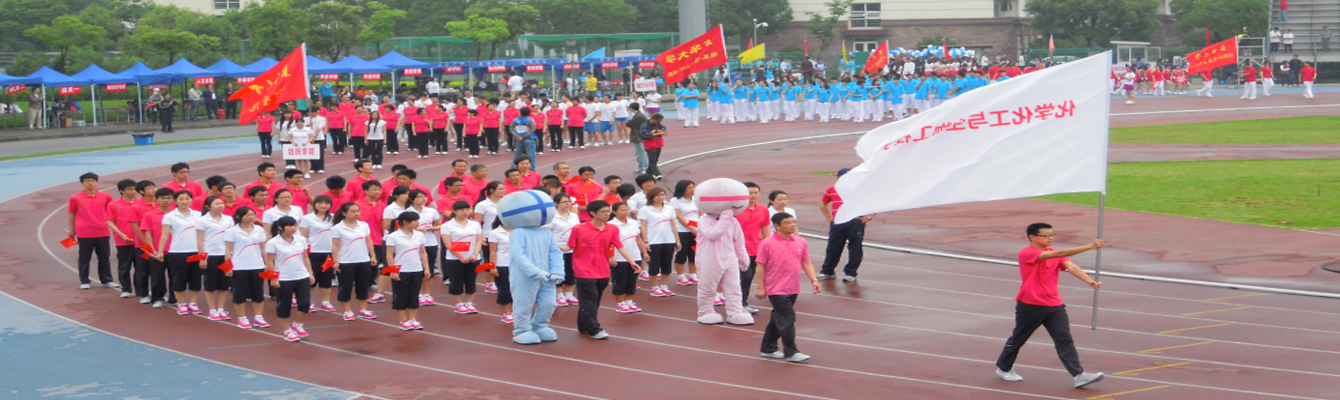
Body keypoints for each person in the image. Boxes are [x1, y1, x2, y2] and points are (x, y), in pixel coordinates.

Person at [995, 223, 1106, 388]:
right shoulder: (1027, 253)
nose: (1050, 238)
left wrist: (1090, 282)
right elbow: (1060, 253)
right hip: (1031, 304)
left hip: (1054, 304)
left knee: (1064, 339)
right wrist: (1090, 246)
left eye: (1052, 235)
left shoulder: (1054, 253)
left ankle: (1079, 375)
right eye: (1046, 235)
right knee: (1019, 337)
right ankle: (1004, 367)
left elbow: (1071, 266)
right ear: (1033, 237)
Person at [753, 212, 819, 363]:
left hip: (793, 287)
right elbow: (760, 266)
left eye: (793, 222)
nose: (792, 225)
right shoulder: (767, 243)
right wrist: (760, 287)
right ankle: (791, 352)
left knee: (778, 317)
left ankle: (768, 348)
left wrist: (814, 280)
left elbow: (806, 262)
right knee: (788, 317)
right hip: (776, 288)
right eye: (787, 223)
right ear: (777, 226)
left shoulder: (800, 242)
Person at [568, 200, 635, 339]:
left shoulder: (612, 228)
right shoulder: (579, 228)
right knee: (589, 299)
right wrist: (557, 247)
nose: (606, 214)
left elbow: (619, 246)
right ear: (592, 213)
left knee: (595, 299)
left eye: (607, 211)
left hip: (602, 269)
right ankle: (594, 329)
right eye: (603, 212)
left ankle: (583, 326)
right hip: (583, 269)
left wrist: (631, 262)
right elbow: (570, 246)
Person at [818, 168, 874, 282]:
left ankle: (851, 273)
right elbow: (823, 204)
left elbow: (875, 203)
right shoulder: (831, 190)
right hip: (838, 222)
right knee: (833, 248)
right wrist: (829, 218)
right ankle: (828, 271)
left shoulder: (860, 190)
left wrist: (869, 217)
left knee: (854, 248)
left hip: (854, 222)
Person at [331, 201, 378, 321]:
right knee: (345, 287)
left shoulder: (363, 225)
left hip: (363, 260)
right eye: (353, 211)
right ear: (344, 213)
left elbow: (368, 241)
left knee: (363, 286)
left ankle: (363, 309)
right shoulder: (337, 228)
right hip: (346, 261)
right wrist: (335, 261)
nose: (356, 213)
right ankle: (347, 311)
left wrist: (372, 256)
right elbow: (335, 245)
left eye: (358, 211)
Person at [158, 190, 202, 315]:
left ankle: (193, 303)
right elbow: (164, 235)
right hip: (178, 251)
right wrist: (160, 251)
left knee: (195, 279)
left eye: (187, 198)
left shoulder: (198, 215)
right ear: (175, 201)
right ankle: (181, 304)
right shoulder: (169, 216)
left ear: (191, 200)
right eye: (181, 199)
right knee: (179, 279)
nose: (184, 201)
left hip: (196, 251)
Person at [224, 207, 269, 328]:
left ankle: (258, 317)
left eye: (252, 214)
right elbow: (228, 250)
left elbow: (263, 247)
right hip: (239, 266)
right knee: (240, 293)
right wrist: (228, 267)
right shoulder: (232, 231)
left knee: (258, 293)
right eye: (247, 215)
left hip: (257, 265)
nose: (250, 217)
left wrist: (267, 263)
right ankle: (242, 318)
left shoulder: (259, 229)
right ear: (239, 217)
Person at [69, 172, 115, 290]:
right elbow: (71, 213)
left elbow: (110, 212)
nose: (90, 183)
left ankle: (106, 280)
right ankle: (85, 281)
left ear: (97, 182)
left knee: (104, 257)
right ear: (82, 183)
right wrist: (72, 229)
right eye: (87, 181)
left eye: (93, 180)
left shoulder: (106, 196)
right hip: (84, 231)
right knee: (84, 258)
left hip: (102, 230)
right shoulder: (75, 198)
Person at [386, 211, 429, 330]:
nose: (418, 223)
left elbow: (423, 252)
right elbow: (389, 255)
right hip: (401, 271)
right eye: (415, 221)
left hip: (416, 269)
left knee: (414, 295)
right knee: (401, 296)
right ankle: (403, 320)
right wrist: (393, 271)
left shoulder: (419, 235)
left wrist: (426, 268)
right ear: (405, 222)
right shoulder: (393, 236)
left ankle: (412, 319)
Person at [734, 182, 771, 314]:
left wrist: (769, 246)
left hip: (755, 249)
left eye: (756, 192)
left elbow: (765, 229)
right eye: (750, 193)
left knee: (748, 278)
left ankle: (742, 303)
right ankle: (737, 304)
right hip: (737, 250)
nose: (753, 195)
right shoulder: (735, 210)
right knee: (743, 276)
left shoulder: (763, 210)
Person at [197, 196, 235, 320]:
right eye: (216, 203)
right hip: (210, 254)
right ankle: (212, 310)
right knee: (210, 284)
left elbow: (232, 238)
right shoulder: (202, 221)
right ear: (208, 206)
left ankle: (221, 308)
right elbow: (200, 240)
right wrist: (202, 257)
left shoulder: (228, 219)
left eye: (221, 203)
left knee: (224, 284)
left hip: (225, 254)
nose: (220, 206)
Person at [443, 200, 485, 314]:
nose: (465, 212)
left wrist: (475, 254)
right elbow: (448, 244)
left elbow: (478, 240)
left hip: (473, 257)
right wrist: (460, 256)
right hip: (454, 259)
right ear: (454, 211)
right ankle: (458, 304)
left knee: (471, 280)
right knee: (456, 281)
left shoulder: (475, 224)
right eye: (462, 210)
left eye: (467, 209)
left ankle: (469, 303)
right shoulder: (447, 226)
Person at [543, 193, 581, 305]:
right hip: (557, 249)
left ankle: (569, 294)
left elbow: (578, 231)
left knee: (571, 271)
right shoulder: (552, 217)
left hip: (572, 248)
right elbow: (547, 234)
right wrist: (552, 247)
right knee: (558, 272)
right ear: (556, 204)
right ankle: (559, 295)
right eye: (564, 202)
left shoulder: (574, 216)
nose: (568, 204)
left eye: (569, 201)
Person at [608, 202, 646, 314]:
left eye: (627, 209)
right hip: (619, 258)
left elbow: (638, 238)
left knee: (632, 280)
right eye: (622, 210)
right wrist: (611, 256)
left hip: (635, 256)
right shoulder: (611, 225)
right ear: (614, 212)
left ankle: (629, 301)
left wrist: (644, 252)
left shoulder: (633, 222)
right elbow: (608, 243)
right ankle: (620, 303)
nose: (625, 212)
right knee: (620, 280)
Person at [670, 180, 699, 285]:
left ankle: (693, 274)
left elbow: (701, 213)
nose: (692, 190)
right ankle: (681, 276)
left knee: (694, 253)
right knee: (682, 253)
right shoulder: (675, 201)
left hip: (697, 229)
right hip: (682, 230)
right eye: (689, 188)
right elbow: (679, 216)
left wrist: (700, 226)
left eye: (693, 187)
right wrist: (691, 228)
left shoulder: (696, 199)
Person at [640, 113, 669, 180]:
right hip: (650, 145)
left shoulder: (658, 124)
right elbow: (646, 135)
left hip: (658, 144)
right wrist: (657, 132)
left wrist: (655, 132)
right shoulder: (645, 125)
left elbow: (664, 131)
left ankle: (648, 172)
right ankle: (657, 174)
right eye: (658, 121)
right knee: (652, 160)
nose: (659, 122)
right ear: (654, 119)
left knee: (655, 159)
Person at [625, 103, 649, 175]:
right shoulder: (638, 115)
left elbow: (629, 124)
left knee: (641, 153)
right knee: (639, 153)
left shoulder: (638, 116)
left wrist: (628, 121)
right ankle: (641, 167)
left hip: (639, 136)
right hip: (638, 135)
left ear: (632, 108)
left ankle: (645, 167)